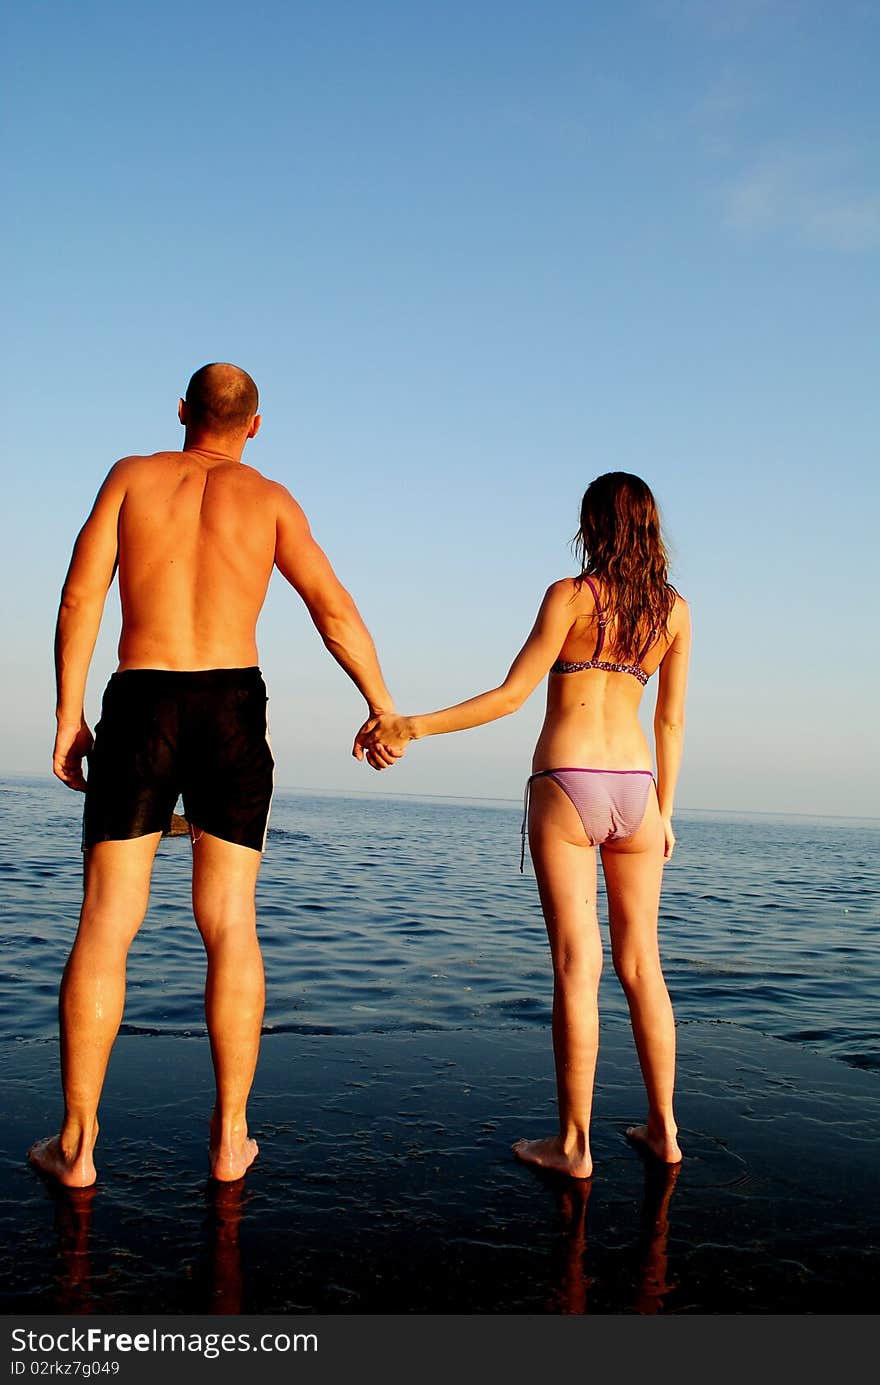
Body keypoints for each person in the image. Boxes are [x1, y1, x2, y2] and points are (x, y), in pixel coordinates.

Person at [31, 363, 395, 1187]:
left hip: (142, 700)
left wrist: (67, 714)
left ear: (183, 412)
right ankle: (231, 1138)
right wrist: (381, 704)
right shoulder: (270, 498)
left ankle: (78, 1145)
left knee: (107, 919)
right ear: (255, 426)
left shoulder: (132, 476)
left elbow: (79, 596)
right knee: (230, 920)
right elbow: (332, 608)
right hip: (231, 704)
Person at [355, 472, 690, 1179]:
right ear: (652, 527)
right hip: (638, 787)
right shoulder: (675, 613)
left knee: (578, 964)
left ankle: (574, 1144)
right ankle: (664, 1130)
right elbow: (670, 720)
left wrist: (411, 724)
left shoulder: (570, 597)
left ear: (592, 525)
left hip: (568, 781)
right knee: (642, 965)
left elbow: (512, 696)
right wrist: (665, 811)